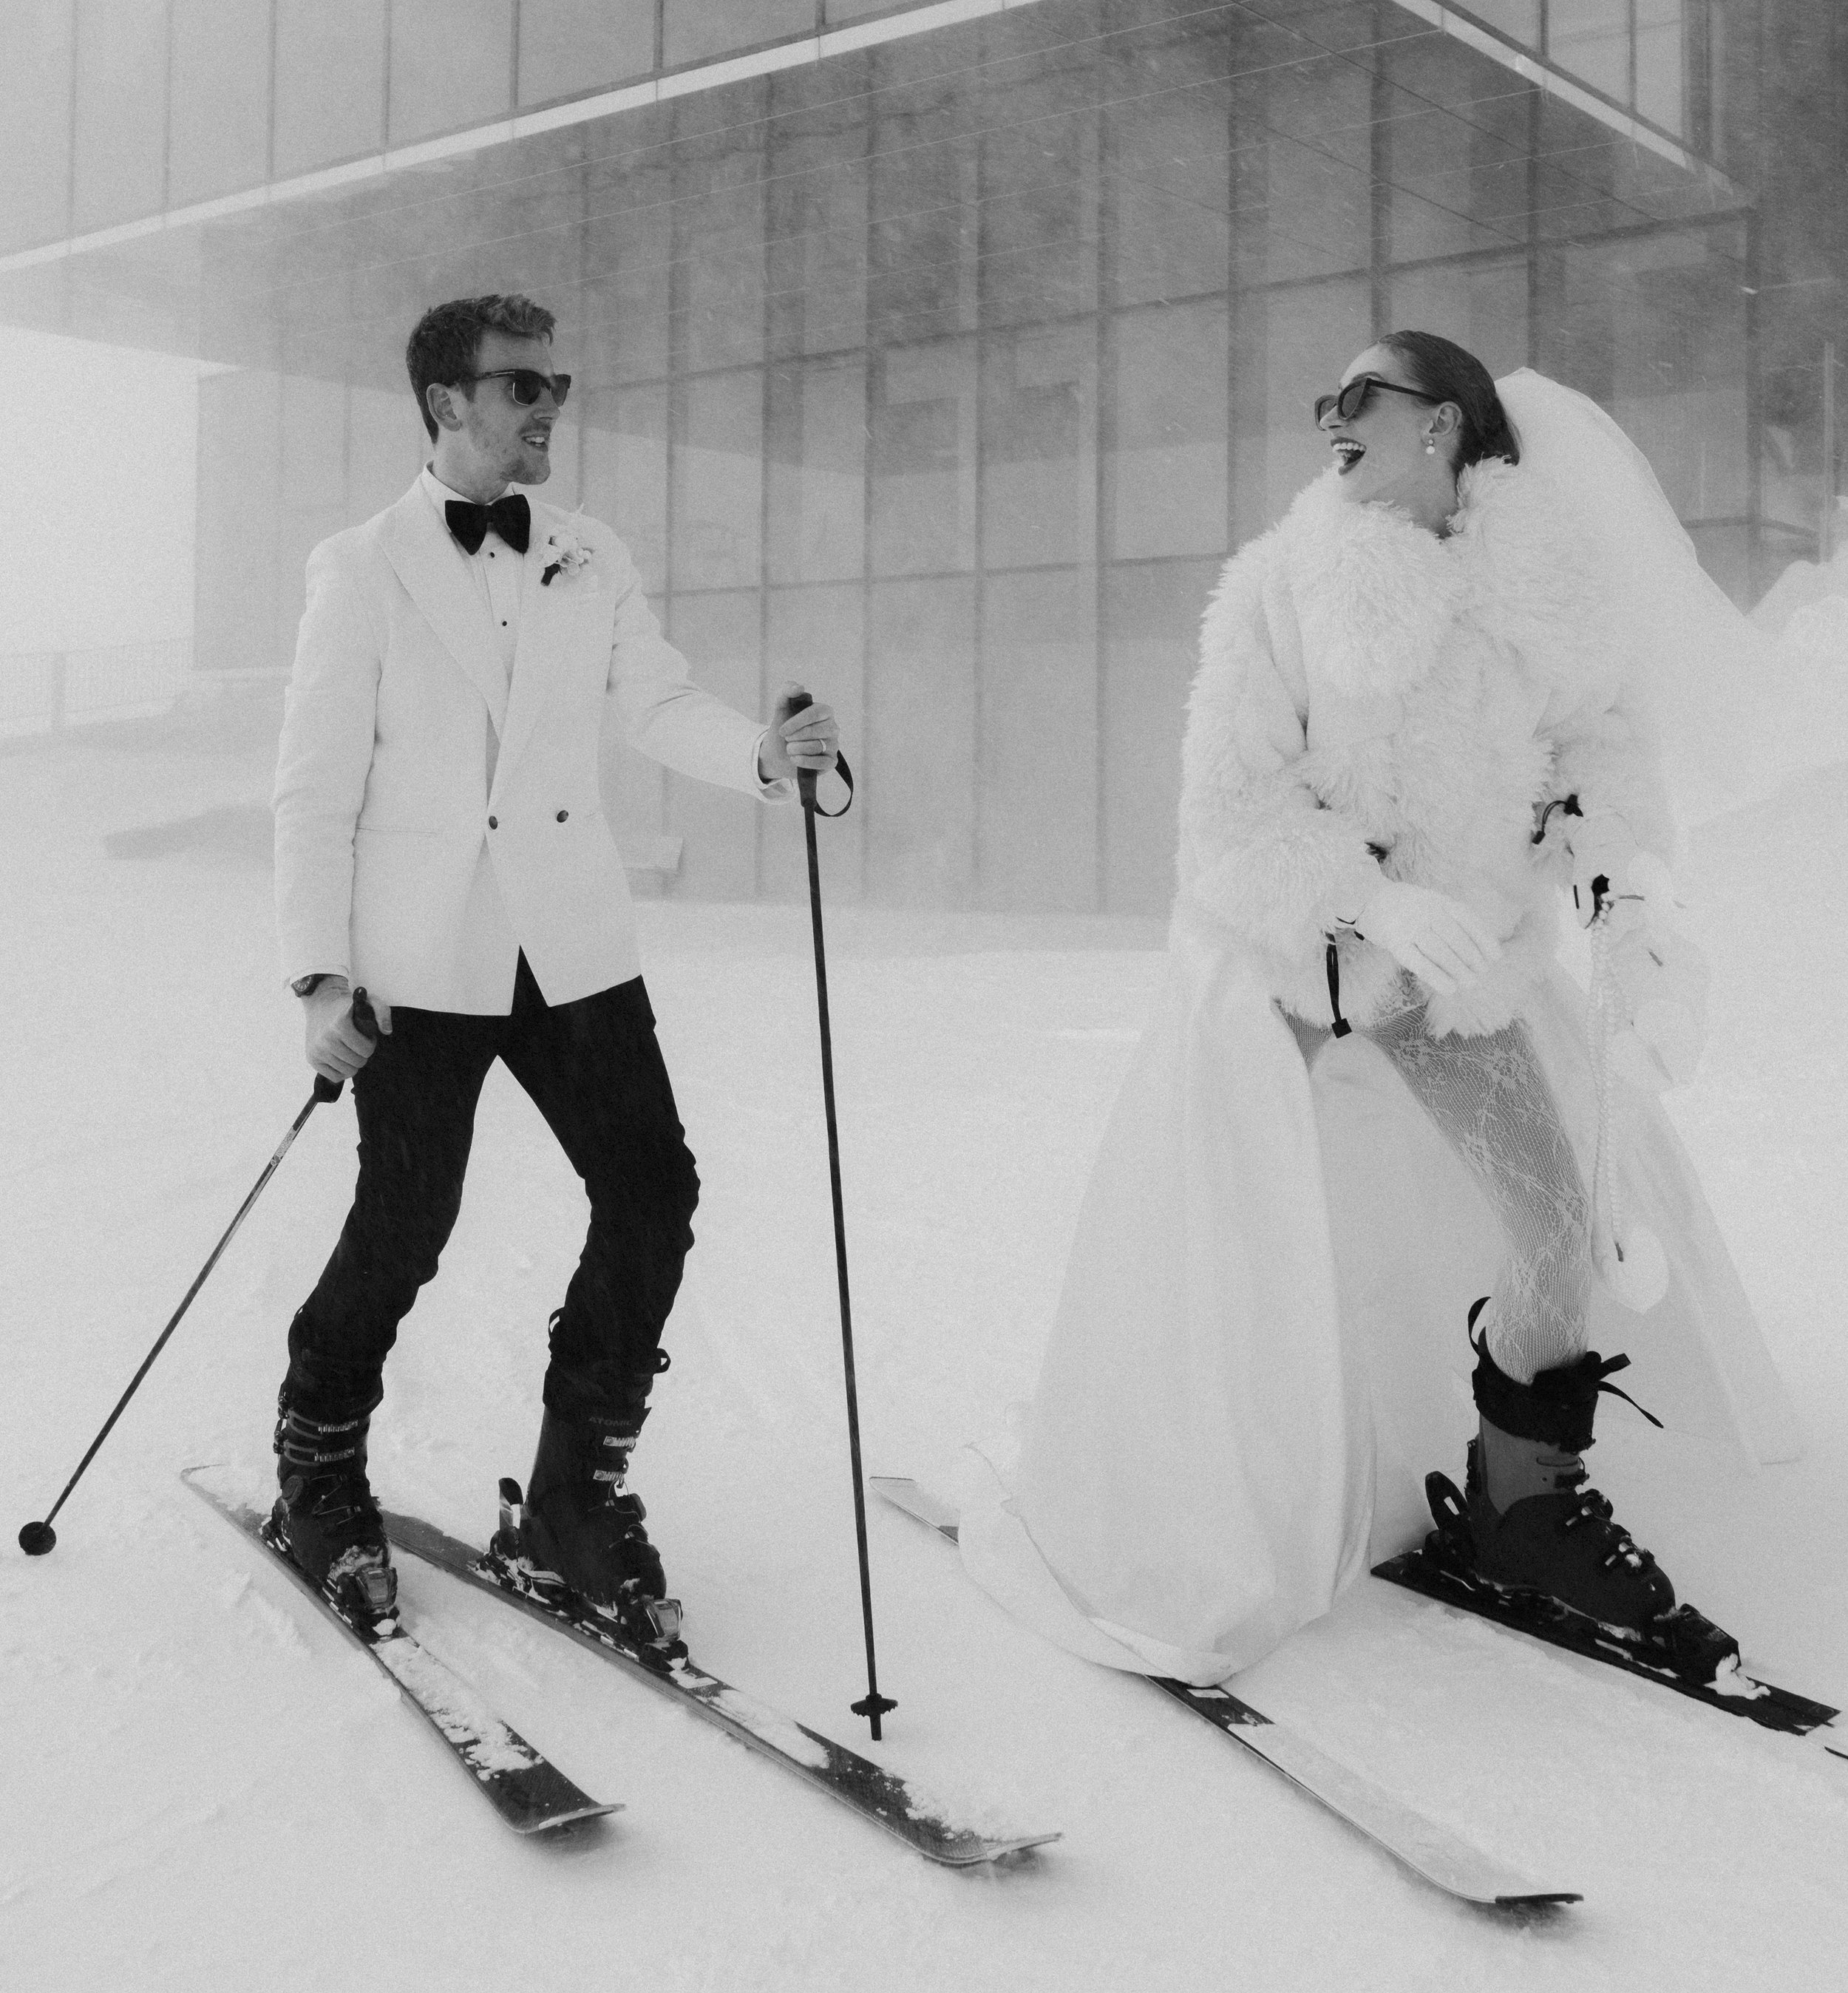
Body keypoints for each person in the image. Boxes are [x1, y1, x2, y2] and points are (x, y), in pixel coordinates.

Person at [959, 330, 1807, 1689]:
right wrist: (1369, 902)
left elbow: (1599, 751)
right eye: (1325, 404)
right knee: (1236, 1262)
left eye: (1361, 398)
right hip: (1282, 976)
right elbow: (1226, 822)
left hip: (1453, 984)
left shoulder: (1541, 593)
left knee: (1552, 1211)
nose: (1330, 421)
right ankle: (1174, 1510)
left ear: (1448, 427)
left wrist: (1630, 903)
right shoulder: (1281, 594)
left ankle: (1523, 1504)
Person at [270, 291, 839, 1642]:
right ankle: (317, 1460)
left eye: (557, 384)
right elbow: (311, 789)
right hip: (419, 955)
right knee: (408, 1220)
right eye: (524, 385)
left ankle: (576, 1490)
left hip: (568, 941)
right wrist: (319, 978)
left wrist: (760, 754)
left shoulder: (590, 553)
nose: (549, 409)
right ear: (445, 406)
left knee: (653, 1191)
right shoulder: (361, 568)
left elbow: (651, 698)